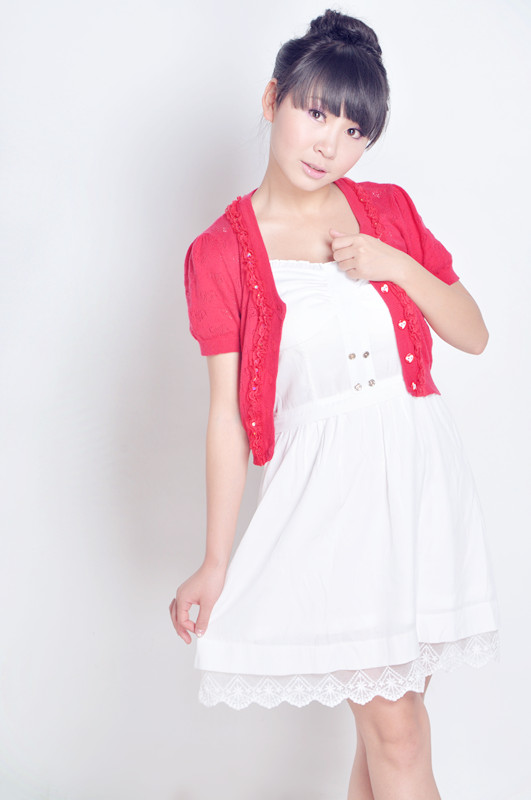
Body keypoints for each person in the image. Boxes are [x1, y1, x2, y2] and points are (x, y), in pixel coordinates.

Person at [169, 9, 500, 799]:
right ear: (272, 100)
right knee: (398, 731)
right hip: (333, 498)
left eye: (354, 131)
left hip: (419, 480)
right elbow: (225, 417)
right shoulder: (219, 253)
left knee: (390, 733)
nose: (329, 145)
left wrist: (394, 263)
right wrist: (216, 559)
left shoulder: (386, 210)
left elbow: (472, 332)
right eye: (315, 113)